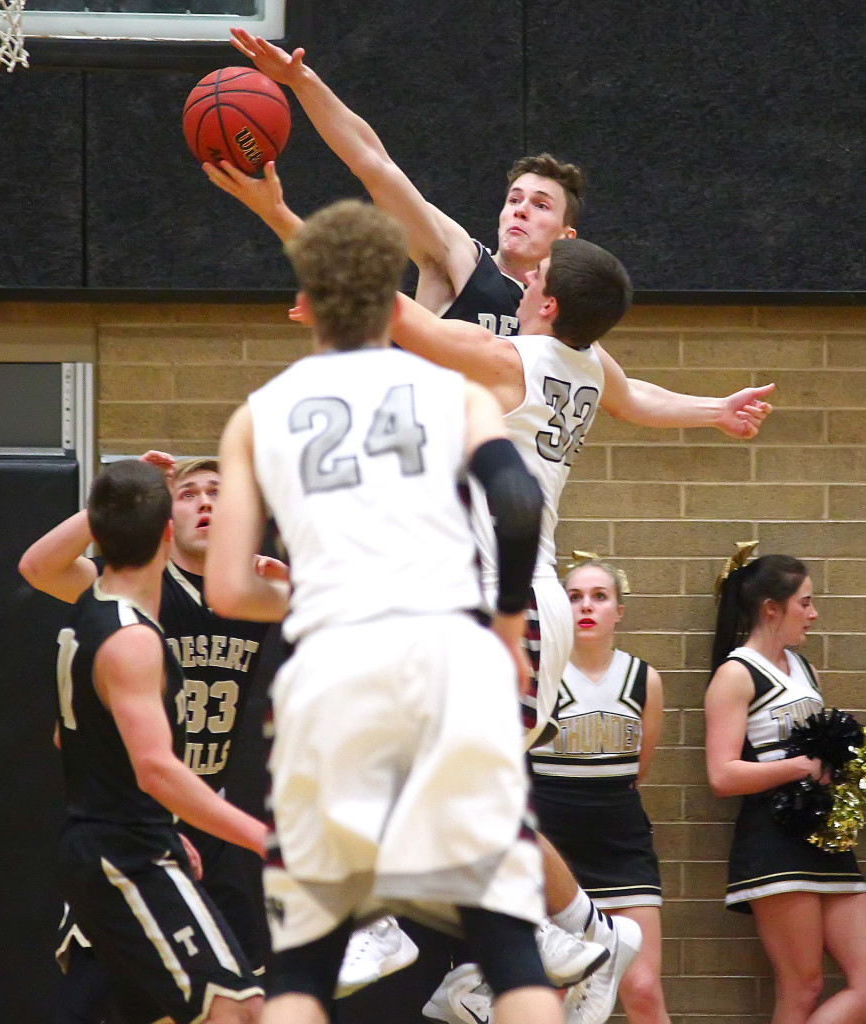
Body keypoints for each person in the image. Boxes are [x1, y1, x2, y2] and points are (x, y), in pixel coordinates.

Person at [209, 160, 776, 1024]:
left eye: (535, 280)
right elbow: (638, 399)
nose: (523, 284)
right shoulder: (582, 366)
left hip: (494, 600)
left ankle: (407, 926)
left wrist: (277, 209)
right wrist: (713, 410)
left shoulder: (505, 359)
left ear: (546, 302)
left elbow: (384, 307)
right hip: (507, 601)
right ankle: (565, 938)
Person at [204, 197, 561, 1024]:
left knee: (299, 971)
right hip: (451, 657)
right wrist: (507, 629)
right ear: (386, 293)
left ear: (310, 293)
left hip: (330, 669)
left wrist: (305, 593)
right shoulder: (454, 389)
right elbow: (514, 502)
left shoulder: (255, 416)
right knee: (511, 954)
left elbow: (228, 591)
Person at [20, 456, 283, 1022]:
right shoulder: (126, 599)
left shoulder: (250, 592)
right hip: (138, 825)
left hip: (187, 816)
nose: (206, 502)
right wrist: (117, 501)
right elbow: (38, 566)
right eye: (188, 493)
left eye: (219, 492)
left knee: (238, 999)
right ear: (164, 523)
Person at [225, 28, 583, 336]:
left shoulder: (569, 321)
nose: (521, 211)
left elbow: (629, 393)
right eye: (514, 199)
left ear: (567, 238)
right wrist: (302, 81)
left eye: (540, 205)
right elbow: (375, 164)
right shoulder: (461, 259)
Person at [705, 550, 866, 1024]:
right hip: (773, 838)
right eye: (805, 603)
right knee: (802, 987)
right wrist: (799, 767)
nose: (814, 615)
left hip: (824, 835)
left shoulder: (802, 668)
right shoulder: (737, 674)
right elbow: (722, 775)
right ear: (771, 608)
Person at [531, 556, 670, 1024]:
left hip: (622, 844)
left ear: (619, 610)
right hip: (554, 847)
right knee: (554, 996)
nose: (586, 607)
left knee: (644, 989)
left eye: (599, 596)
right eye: (574, 597)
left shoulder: (643, 680)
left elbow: (638, 768)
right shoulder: (540, 678)